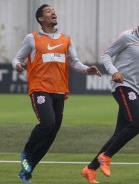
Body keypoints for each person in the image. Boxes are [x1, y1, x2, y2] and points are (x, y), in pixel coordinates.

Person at [81, 5, 139, 183]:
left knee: (120, 133)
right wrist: (114, 71)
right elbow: (106, 55)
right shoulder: (127, 37)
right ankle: (106, 156)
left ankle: (90, 169)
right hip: (124, 86)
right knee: (138, 123)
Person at [12, 4, 102, 183]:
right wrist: (17, 65)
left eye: (53, 10)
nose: (53, 12)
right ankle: (26, 152)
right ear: (40, 19)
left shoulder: (66, 39)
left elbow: (74, 62)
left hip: (60, 92)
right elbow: (17, 58)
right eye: (48, 11)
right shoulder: (32, 38)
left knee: (51, 134)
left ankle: (26, 172)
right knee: (47, 123)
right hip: (40, 89)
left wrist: (87, 70)